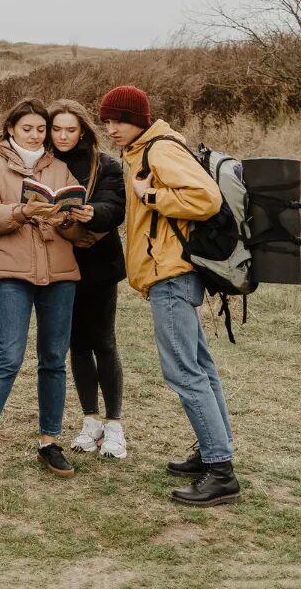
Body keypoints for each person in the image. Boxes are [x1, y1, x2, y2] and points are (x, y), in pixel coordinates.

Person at [98, 85, 241, 507]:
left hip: (171, 275)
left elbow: (206, 198)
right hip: (169, 273)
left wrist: (153, 196)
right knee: (200, 367)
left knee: (184, 372)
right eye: (106, 121)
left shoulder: (158, 150)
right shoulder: (146, 149)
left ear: (139, 119)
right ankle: (213, 452)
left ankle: (221, 472)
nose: (111, 129)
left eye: (118, 120)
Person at [0, 98, 83, 491]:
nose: (37, 135)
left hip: (59, 272)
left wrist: (71, 218)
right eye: (28, 128)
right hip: (11, 270)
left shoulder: (59, 167)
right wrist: (23, 212)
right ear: (11, 129)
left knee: (55, 359)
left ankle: (49, 441)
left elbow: (73, 227)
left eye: (41, 129)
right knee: (8, 357)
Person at [48, 99, 129, 459]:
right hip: (58, 263)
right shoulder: (43, 164)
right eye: (56, 128)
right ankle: (90, 420)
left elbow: (116, 208)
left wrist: (93, 211)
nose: (63, 136)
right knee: (76, 344)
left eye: (70, 129)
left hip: (98, 264)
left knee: (103, 342)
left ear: (82, 130)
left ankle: (114, 426)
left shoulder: (106, 164)